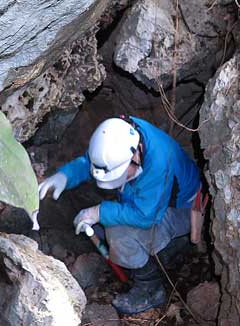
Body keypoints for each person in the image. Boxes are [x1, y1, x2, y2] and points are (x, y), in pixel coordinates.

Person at [38, 115, 201, 314]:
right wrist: (65, 176)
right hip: (149, 198)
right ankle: (133, 253)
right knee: (109, 224)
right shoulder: (119, 135)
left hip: (182, 208)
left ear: (136, 156)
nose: (121, 178)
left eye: (123, 174)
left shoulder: (159, 162)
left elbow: (145, 216)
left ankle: (151, 287)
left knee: (120, 235)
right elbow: (93, 164)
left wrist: (99, 212)